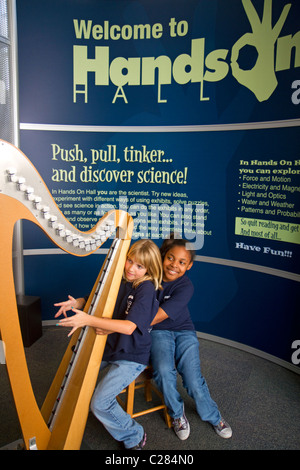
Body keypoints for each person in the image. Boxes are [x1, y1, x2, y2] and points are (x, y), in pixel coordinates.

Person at [54, 239, 162, 450]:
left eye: (139, 266)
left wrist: (88, 320)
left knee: (99, 402)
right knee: (74, 378)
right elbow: (97, 299)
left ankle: (134, 434)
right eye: (129, 261)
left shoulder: (146, 289)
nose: (131, 268)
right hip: (109, 348)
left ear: (150, 269)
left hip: (131, 357)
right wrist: (76, 303)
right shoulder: (121, 280)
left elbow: (130, 327)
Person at [150, 234, 232, 441]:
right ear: (162, 256)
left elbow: (156, 316)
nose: (174, 265)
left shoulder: (186, 286)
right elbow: (124, 296)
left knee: (193, 380)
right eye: (170, 258)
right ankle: (177, 415)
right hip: (158, 332)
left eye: (181, 262)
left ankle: (214, 416)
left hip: (183, 331)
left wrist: (127, 320)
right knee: (162, 372)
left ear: (189, 266)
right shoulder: (149, 278)